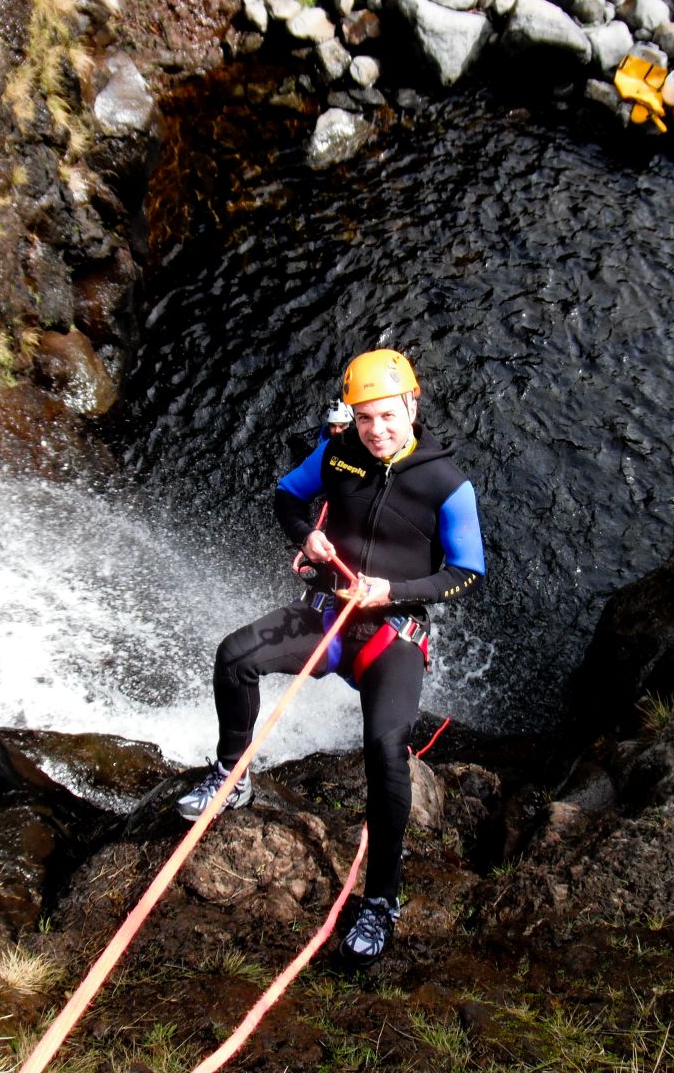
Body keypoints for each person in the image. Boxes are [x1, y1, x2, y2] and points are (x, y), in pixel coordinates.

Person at [176, 348, 486, 961]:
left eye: (389, 417)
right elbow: (288, 497)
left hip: (389, 633)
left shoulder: (447, 484)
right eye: (366, 418)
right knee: (235, 656)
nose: (377, 430)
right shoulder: (338, 452)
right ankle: (231, 775)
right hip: (327, 615)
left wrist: (393, 590)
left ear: (412, 407)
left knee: (384, 749)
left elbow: (467, 571)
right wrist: (307, 537)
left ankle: (380, 900)